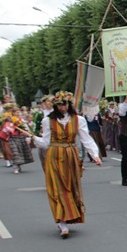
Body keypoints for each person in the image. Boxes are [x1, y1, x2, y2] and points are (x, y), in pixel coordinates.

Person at [27, 91, 101, 238]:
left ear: (69, 104)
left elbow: (86, 139)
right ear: (55, 106)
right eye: (60, 105)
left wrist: (95, 155)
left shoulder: (78, 120)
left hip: (71, 156)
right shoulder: (48, 121)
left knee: (71, 187)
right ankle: (62, 222)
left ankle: (69, 216)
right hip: (54, 156)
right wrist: (33, 138)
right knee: (58, 188)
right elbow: (45, 143)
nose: (63, 108)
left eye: (65, 104)